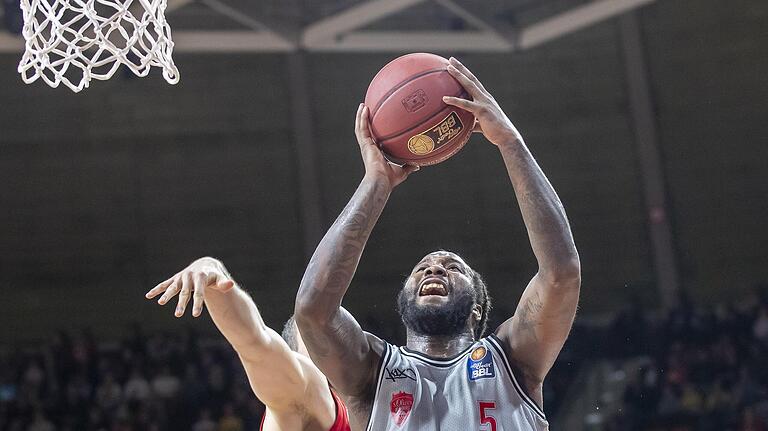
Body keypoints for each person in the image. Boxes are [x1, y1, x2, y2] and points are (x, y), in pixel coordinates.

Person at [295, 57, 580, 430]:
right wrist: (375, 184)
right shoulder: (372, 372)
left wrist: (511, 143)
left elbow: (561, 273)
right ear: (402, 301)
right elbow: (312, 310)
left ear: (478, 310)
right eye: (422, 268)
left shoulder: (514, 359)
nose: (433, 268)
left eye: (453, 267)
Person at [145, 257, 350, 431]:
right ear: (293, 355)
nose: (327, 339)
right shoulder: (306, 389)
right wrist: (211, 271)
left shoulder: (372, 398)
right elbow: (255, 342)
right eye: (312, 336)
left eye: (332, 329)